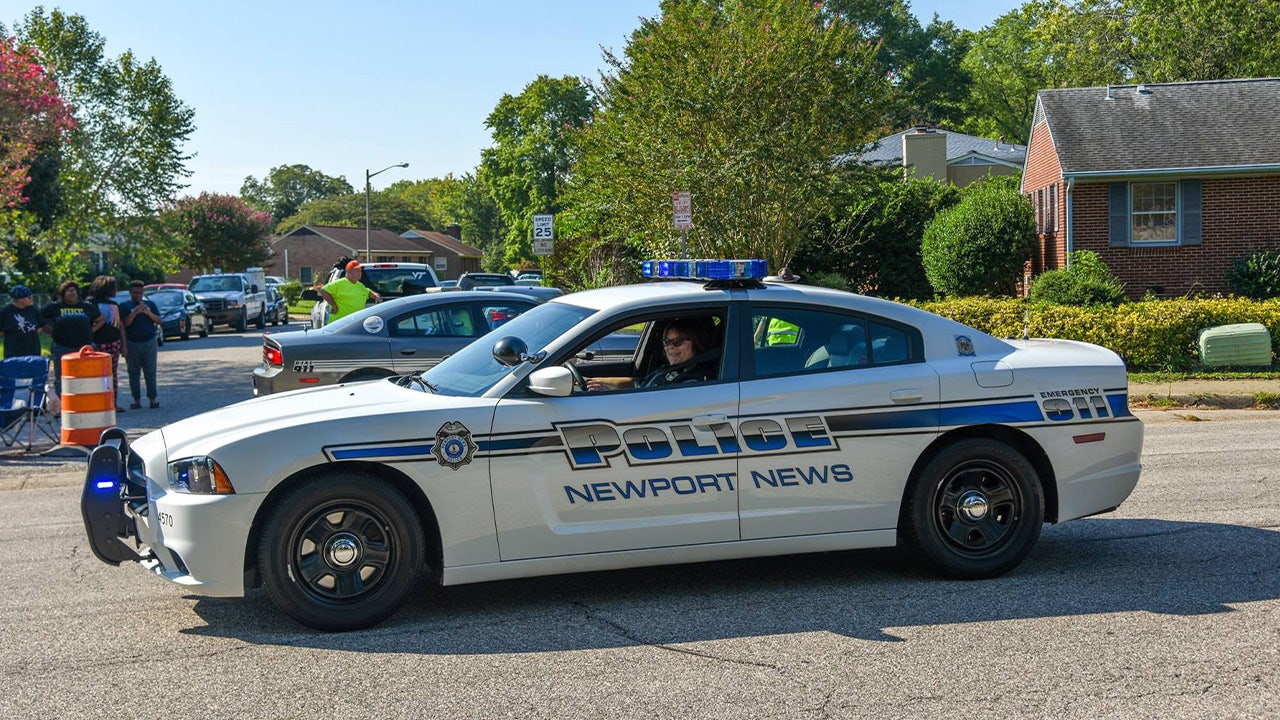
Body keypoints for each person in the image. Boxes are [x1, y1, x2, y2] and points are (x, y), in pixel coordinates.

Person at [586, 318, 719, 391]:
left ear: (696, 342)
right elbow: (637, 383)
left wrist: (607, 394)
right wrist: (591, 381)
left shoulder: (695, 380)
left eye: (677, 341)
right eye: (666, 342)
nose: (670, 347)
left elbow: (648, 405)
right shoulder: (670, 369)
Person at [40, 280, 103, 391]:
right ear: (63, 293)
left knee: (85, 375)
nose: (72, 293)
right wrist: (50, 332)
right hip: (61, 347)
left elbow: (101, 319)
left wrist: (90, 330)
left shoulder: (87, 307)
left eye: (74, 291)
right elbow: (40, 319)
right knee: (62, 377)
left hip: (84, 348)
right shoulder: (54, 307)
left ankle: (83, 400)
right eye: (69, 291)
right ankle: (63, 403)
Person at [87, 276, 128, 412]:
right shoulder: (90, 304)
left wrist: (124, 344)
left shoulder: (114, 305)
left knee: (112, 374)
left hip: (114, 342)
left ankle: (112, 403)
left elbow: (120, 325)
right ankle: (98, 403)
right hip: (98, 343)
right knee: (97, 375)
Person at [119, 280, 162, 409]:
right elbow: (124, 324)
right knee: (133, 372)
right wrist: (135, 312)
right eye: (135, 293)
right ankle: (136, 399)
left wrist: (148, 312)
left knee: (150, 371)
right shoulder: (124, 306)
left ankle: (153, 399)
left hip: (149, 341)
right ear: (130, 293)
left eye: (140, 293)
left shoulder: (150, 304)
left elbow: (159, 321)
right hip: (132, 342)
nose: (137, 295)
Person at [1, 285, 46, 359]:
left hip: (33, 351)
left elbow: (41, 325)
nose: (31, 299)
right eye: (29, 297)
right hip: (14, 353)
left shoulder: (33, 310)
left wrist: (30, 333)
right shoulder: (5, 312)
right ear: (20, 299)